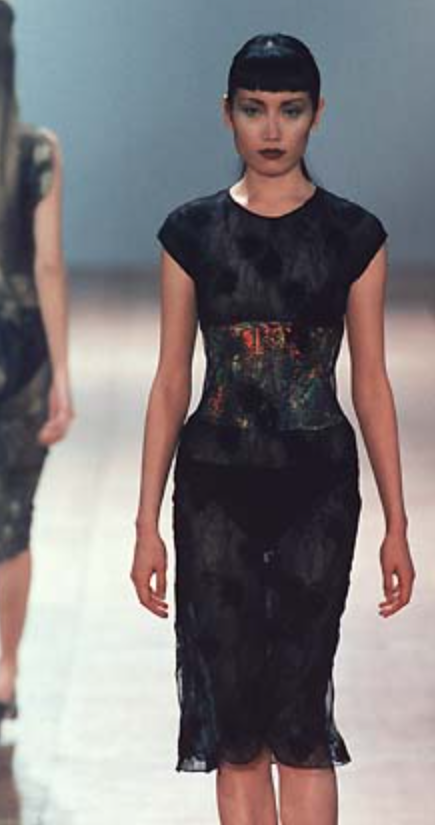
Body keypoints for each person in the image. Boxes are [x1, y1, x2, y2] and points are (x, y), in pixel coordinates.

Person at [131, 33, 415, 824]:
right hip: (212, 489)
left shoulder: (354, 236)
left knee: (298, 718)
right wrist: (146, 523)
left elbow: (370, 382)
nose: (270, 128)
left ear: (317, 115)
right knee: (236, 724)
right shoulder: (190, 234)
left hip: (317, 490)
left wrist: (397, 523)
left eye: (289, 110)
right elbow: (170, 381)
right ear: (227, 114)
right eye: (254, 109)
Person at [0, 0, 73, 724]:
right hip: (21, 350)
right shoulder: (36, 151)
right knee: (13, 517)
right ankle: (4, 672)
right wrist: (63, 375)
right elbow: (48, 265)